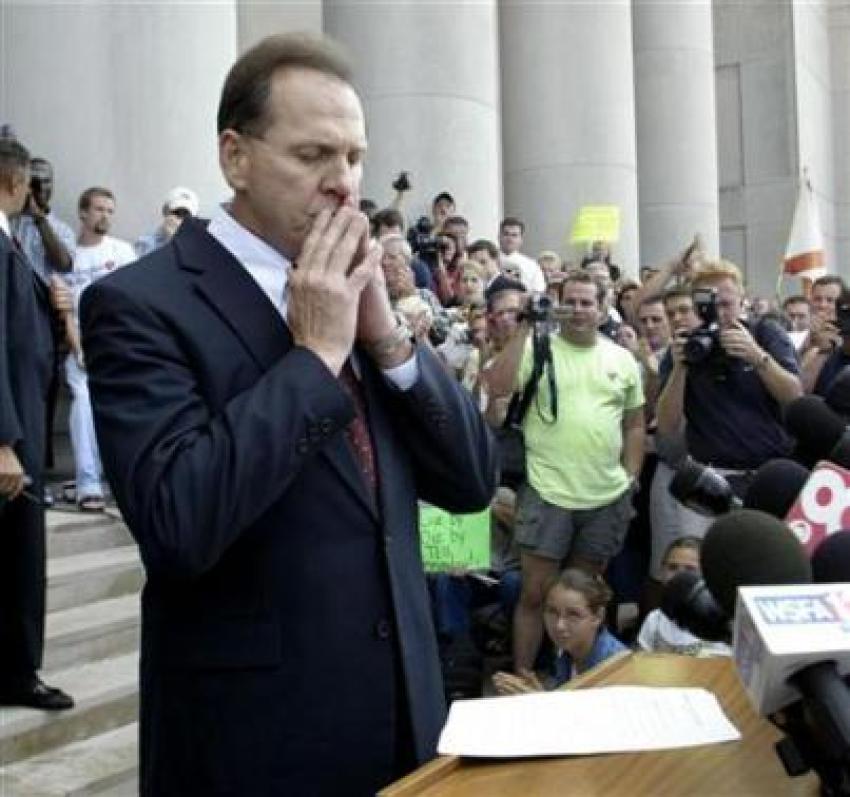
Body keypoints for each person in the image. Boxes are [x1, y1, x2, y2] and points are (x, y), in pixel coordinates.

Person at [79, 33, 497, 797]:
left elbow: (471, 482)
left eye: (355, 157)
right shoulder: (140, 303)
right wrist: (314, 358)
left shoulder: (362, 295)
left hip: (407, 719)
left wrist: (388, 341)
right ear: (235, 157)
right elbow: (178, 522)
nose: (344, 184)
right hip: (254, 743)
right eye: (313, 157)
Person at [485, 270, 644, 673]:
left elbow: (634, 423)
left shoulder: (622, 360)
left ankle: (577, 680)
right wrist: (524, 328)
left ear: (602, 308)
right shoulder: (538, 348)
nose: (577, 310)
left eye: (586, 302)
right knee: (536, 594)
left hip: (605, 498)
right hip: (546, 492)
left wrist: (630, 476)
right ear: (558, 304)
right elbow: (498, 386)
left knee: (582, 601)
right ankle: (524, 679)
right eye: (569, 301)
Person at [0, 138, 73, 711]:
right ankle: (17, 673)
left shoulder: (12, 244)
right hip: (12, 435)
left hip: (21, 423)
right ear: (14, 183)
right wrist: (4, 440)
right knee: (18, 560)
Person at [655, 260, 801, 535]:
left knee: (764, 561)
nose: (719, 314)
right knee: (705, 560)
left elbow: (795, 397)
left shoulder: (765, 334)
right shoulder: (687, 345)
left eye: (726, 304)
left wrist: (758, 358)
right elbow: (666, 426)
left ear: (742, 299)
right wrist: (679, 370)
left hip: (766, 474)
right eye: (709, 306)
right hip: (710, 476)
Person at [63, 186, 136, 510]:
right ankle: (88, 483)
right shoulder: (68, 256)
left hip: (118, 343)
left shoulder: (121, 252)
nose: (105, 216)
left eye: (110, 210)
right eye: (98, 209)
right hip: (80, 342)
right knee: (83, 397)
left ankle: (124, 480)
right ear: (82, 213)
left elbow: (134, 303)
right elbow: (65, 311)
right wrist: (79, 349)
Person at [492, 568, 625, 693]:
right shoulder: (566, 652)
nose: (559, 625)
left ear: (598, 616)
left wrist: (543, 702)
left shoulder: (615, 667)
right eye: (552, 612)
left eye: (573, 614)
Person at [636, 537, 731, 656]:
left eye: (690, 569)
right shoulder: (654, 620)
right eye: (672, 568)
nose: (679, 576)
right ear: (661, 571)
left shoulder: (720, 621)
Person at [134, 186, 200, 258]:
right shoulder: (146, 242)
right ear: (165, 212)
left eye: (186, 215)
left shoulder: (199, 245)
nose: (180, 219)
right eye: (177, 213)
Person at [498, 217, 545, 294]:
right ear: (499, 236)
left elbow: (539, 290)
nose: (509, 239)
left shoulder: (532, 265)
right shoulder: (490, 261)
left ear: (521, 239)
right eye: (506, 234)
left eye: (514, 235)